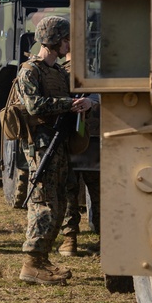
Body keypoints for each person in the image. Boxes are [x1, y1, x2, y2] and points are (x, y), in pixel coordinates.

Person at [14, 16, 93, 285]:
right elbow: (34, 106)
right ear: (56, 40)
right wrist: (69, 105)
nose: (69, 44)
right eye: (66, 39)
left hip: (58, 142)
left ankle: (42, 259)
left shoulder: (58, 72)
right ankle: (32, 263)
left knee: (58, 201)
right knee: (43, 202)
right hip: (40, 144)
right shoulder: (29, 71)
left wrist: (83, 104)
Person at [59, 54, 101, 256]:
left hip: (74, 139)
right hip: (94, 138)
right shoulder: (101, 72)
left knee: (70, 188)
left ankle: (70, 239)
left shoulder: (59, 72)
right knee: (98, 190)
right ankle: (105, 238)